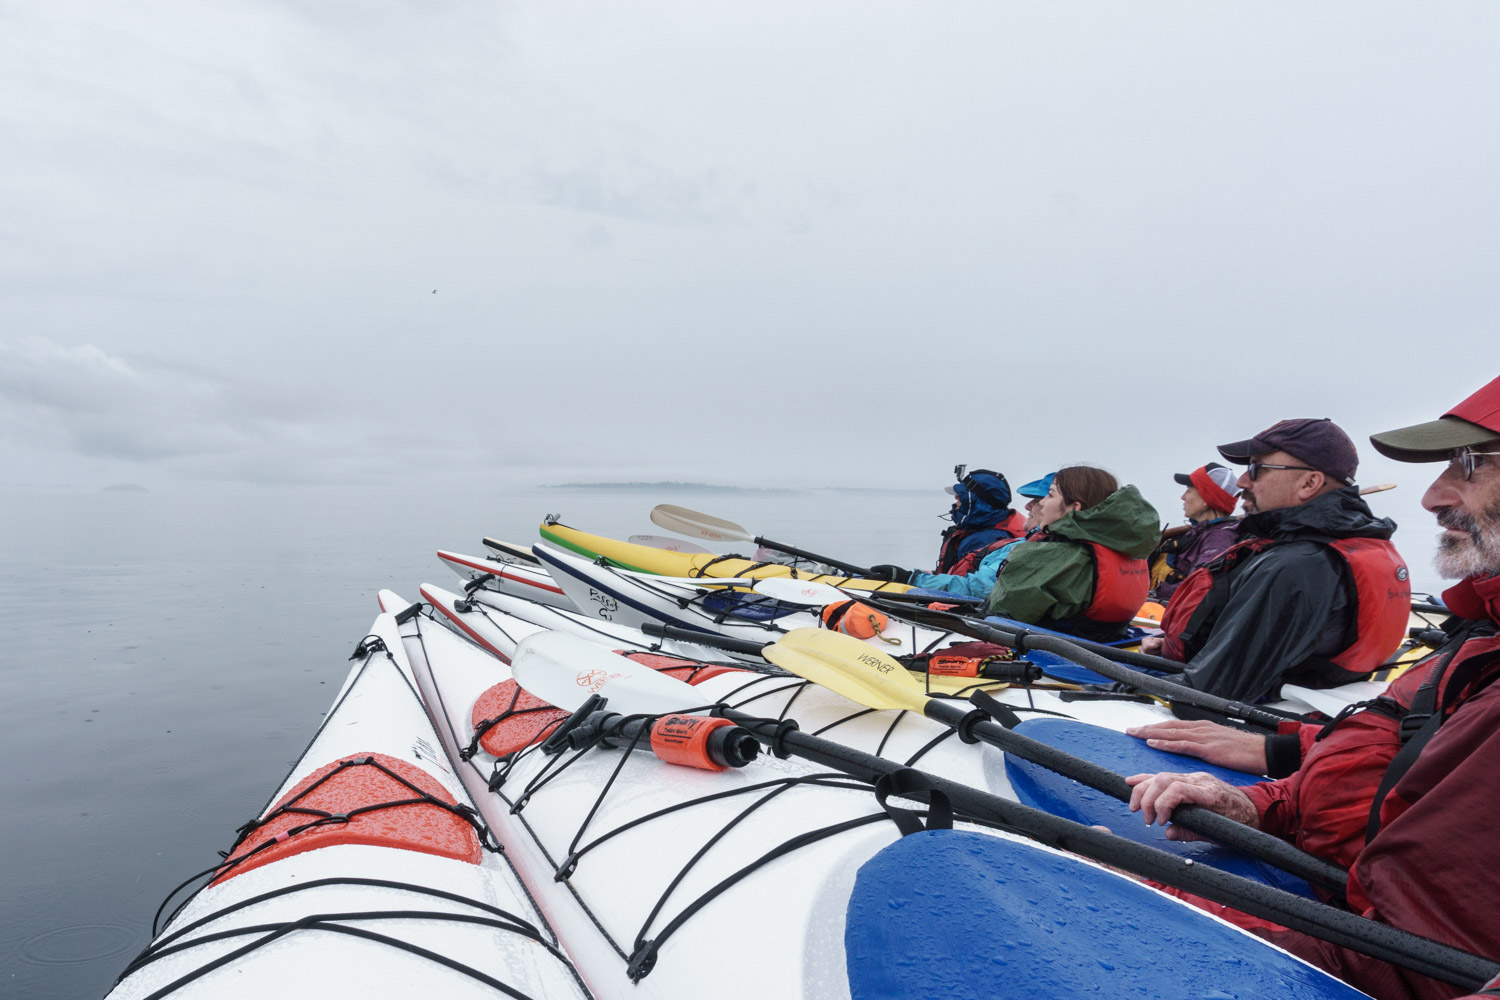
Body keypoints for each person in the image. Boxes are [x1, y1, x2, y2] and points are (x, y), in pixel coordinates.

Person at [1124, 373, 1500, 1000]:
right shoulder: (1482, 632)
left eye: (1473, 463)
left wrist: (1149, 892)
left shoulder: (1300, 562)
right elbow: (1393, 744)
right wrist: (1264, 801)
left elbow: (1410, 967)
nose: (1432, 495)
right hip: (1334, 859)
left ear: (1307, 483)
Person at [1141, 418, 1411, 702]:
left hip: (1245, 710)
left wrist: (1117, 689)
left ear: (1309, 483)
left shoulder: (1298, 566)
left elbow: (1210, 692)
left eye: (1256, 469)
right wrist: (1180, 645)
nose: (1242, 481)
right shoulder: (1323, 547)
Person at [984, 466, 1161, 641]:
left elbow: (1004, 612)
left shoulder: (1055, 555)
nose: (1043, 502)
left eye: (1050, 495)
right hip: (1107, 642)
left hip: (1049, 648)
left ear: (1074, 507)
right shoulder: (1126, 548)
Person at [868, 473, 1055, 600]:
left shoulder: (990, 538)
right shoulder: (1020, 541)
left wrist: (911, 578)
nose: (1028, 506)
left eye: (1038, 500)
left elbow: (976, 588)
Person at [1148, 463, 1242, 601]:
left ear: (1206, 499)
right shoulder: (1200, 533)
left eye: (1188, 491)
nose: (1183, 497)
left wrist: (1153, 594)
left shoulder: (1220, 539)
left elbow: (1199, 587)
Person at [929, 468, 1026, 575]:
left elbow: (967, 586)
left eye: (961, 496)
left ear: (975, 502)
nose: (956, 499)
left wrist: (921, 580)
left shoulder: (987, 539)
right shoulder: (977, 529)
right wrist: (933, 575)